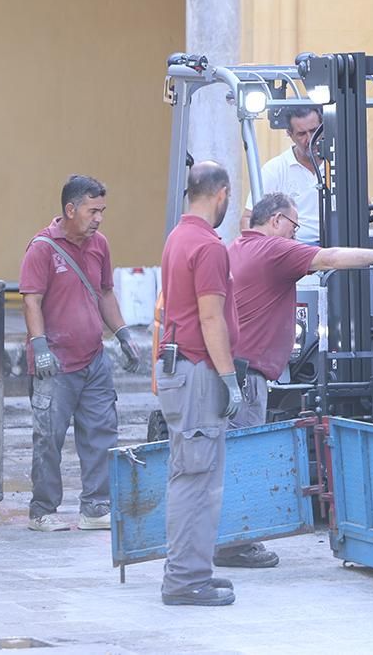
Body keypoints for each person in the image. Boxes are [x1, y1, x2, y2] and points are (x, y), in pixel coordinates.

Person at [228, 192, 373, 429]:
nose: (294, 235)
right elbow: (331, 258)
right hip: (248, 378)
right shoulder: (274, 249)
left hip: (230, 373)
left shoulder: (235, 248)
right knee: (246, 455)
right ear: (276, 219)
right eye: (294, 226)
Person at [19, 175, 142, 533]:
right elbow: (31, 300)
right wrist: (39, 347)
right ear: (70, 209)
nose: (99, 218)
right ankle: (42, 510)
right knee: (49, 439)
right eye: (93, 211)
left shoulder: (99, 244)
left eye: (102, 210)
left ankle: (96, 507)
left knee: (102, 432)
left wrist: (122, 334)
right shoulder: (42, 248)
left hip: (93, 359)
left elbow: (105, 293)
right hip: (54, 365)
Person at [156, 161, 244, 607]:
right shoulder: (209, 246)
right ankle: (186, 580)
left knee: (188, 472)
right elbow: (211, 318)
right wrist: (230, 379)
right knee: (197, 479)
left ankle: (190, 572)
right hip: (197, 371)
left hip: (177, 368)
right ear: (221, 194)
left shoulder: (178, 236)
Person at [239, 106, 324, 245]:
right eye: (302, 134)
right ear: (289, 134)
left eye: (314, 131)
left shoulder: (341, 165)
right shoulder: (275, 169)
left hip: (337, 246)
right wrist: (264, 250)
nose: (310, 139)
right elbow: (248, 219)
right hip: (291, 249)